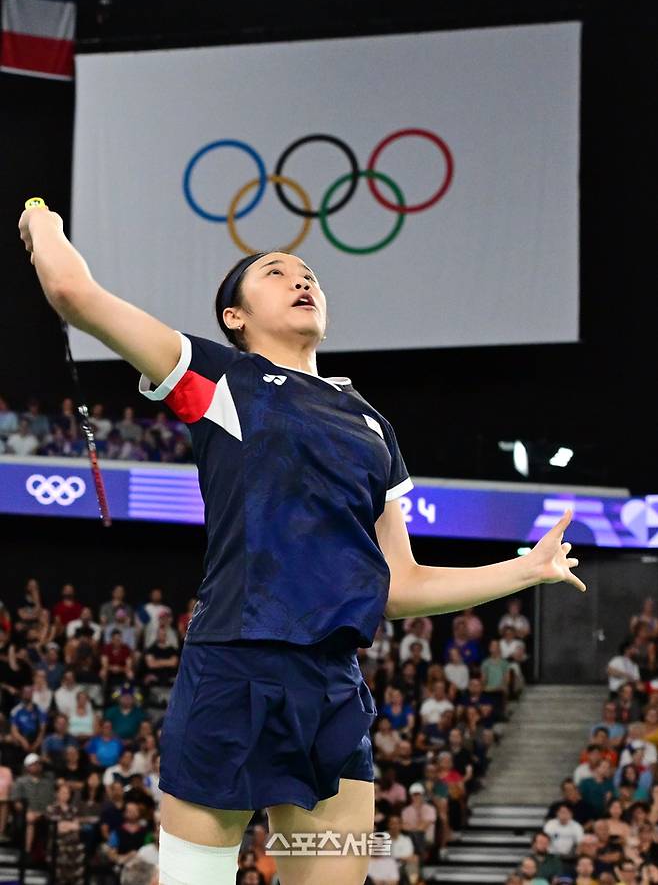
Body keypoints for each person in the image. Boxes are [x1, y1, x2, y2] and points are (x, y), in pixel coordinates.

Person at [19, 209, 586, 885]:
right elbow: (74, 295)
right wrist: (41, 225)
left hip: (333, 691)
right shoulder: (221, 379)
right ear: (235, 315)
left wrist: (527, 569)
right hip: (232, 670)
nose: (300, 278)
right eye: (275, 272)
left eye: (309, 273)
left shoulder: (372, 424)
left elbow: (398, 586)